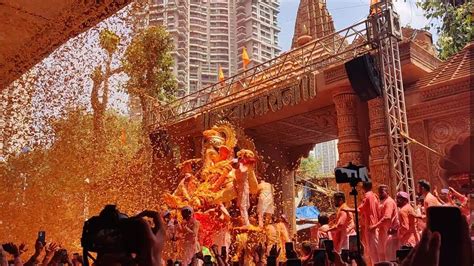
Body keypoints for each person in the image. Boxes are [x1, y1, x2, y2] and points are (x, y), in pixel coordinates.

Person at [345, 181, 380, 264]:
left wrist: (347, 209)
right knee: (374, 249)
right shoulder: (375, 196)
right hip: (374, 225)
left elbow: (359, 209)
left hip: (371, 226)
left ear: (363, 187)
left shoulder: (367, 196)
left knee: (373, 250)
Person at [370, 184, 399, 262]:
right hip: (383, 232)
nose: (380, 194)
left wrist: (375, 226)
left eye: (382, 192)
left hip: (389, 232)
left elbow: (387, 218)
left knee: (389, 256)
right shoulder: (382, 202)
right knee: (382, 255)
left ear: (387, 192)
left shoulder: (389, 202)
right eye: (379, 192)